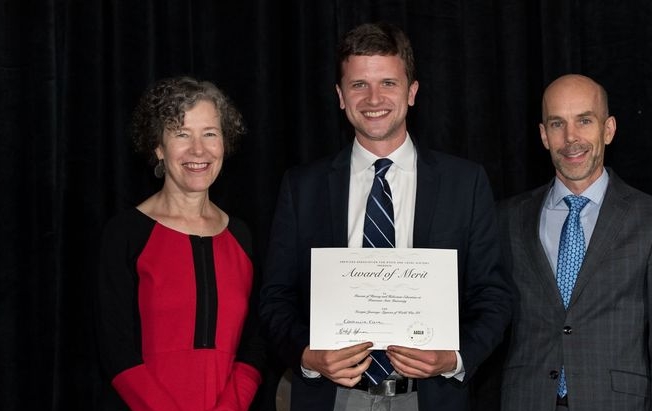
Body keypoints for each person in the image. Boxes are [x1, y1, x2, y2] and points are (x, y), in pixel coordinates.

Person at [259, 22, 516, 411]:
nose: (373, 97)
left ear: (412, 92)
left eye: (388, 83)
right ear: (340, 96)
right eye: (358, 84)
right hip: (332, 399)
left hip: (429, 398)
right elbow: (276, 298)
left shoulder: (465, 183)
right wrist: (308, 357)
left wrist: (454, 358)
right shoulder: (302, 187)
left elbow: (494, 296)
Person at [497, 73, 652, 410]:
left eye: (584, 121)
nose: (571, 138)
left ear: (609, 129)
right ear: (544, 135)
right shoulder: (507, 218)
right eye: (557, 124)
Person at [95, 76, 265, 411]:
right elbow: (116, 349)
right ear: (158, 146)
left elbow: (255, 343)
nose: (198, 150)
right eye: (181, 134)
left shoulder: (243, 236)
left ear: (224, 144)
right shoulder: (125, 234)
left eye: (210, 134)